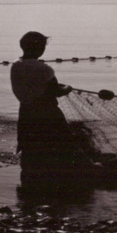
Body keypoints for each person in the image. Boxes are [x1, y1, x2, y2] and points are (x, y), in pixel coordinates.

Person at [10, 31, 76, 188]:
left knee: (30, 146)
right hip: (47, 112)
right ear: (40, 49)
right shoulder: (45, 69)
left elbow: (31, 87)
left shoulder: (16, 66)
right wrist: (67, 88)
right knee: (61, 142)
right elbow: (55, 91)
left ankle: (29, 185)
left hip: (26, 112)